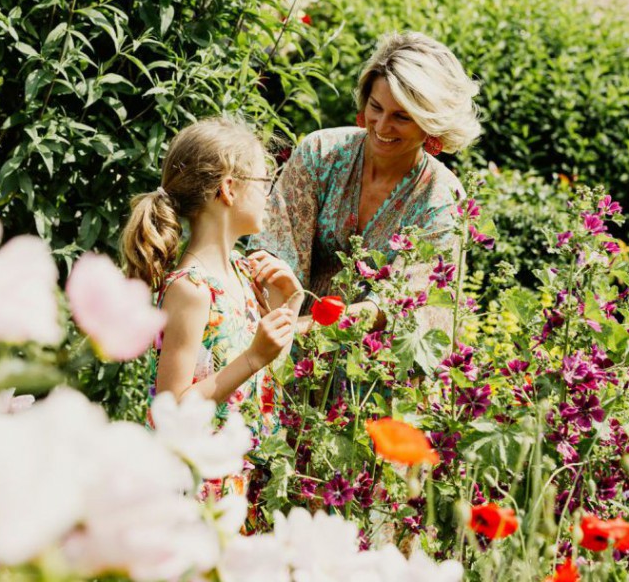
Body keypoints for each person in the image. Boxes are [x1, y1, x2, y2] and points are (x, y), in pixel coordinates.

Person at [120, 116, 303, 500]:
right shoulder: (191, 289)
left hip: (244, 483)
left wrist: (291, 301)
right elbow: (170, 409)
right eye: (264, 183)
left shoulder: (243, 271)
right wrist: (253, 356)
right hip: (201, 489)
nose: (269, 194)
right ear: (229, 189)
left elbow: (272, 372)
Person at [249, 32, 481, 318]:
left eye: (402, 117)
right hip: (281, 327)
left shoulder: (442, 197)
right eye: (376, 107)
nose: (382, 127)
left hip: (372, 354)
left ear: (429, 124)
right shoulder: (321, 153)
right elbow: (274, 249)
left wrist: (305, 330)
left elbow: (403, 306)